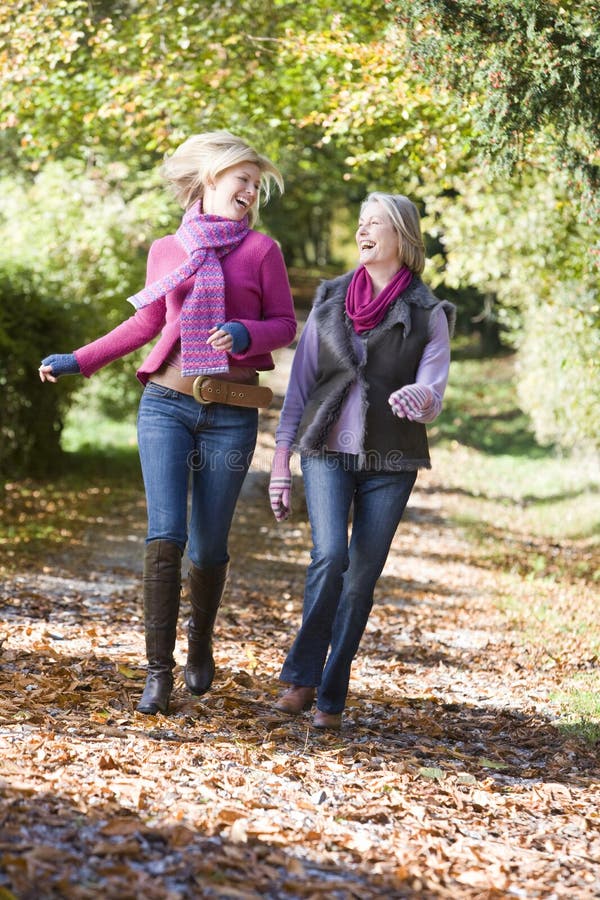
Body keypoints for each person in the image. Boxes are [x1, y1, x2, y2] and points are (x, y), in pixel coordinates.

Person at [39, 131, 296, 716]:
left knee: (207, 545)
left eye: (256, 184)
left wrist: (246, 333)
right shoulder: (168, 249)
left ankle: (199, 640)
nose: (250, 191)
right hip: (166, 404)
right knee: (165, 534)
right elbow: (144, 325)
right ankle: (158, 672)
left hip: (230, 413)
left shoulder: (262, 251)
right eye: (242, 180)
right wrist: (78, 360)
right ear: (210, 179)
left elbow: (285, 324)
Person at [268, 192, 455, 730]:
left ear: (402, 237)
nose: (362, 231)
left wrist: (421, 399)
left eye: (375, 224)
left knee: (360, 579)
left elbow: (433, 388)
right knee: (329, 556)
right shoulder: (329, 301)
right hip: (325, 451)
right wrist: (281, 465)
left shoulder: (428, 314)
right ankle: (301, 678)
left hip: (391, 462)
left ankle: (331, 695)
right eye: (360, 223)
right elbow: (299, 390)